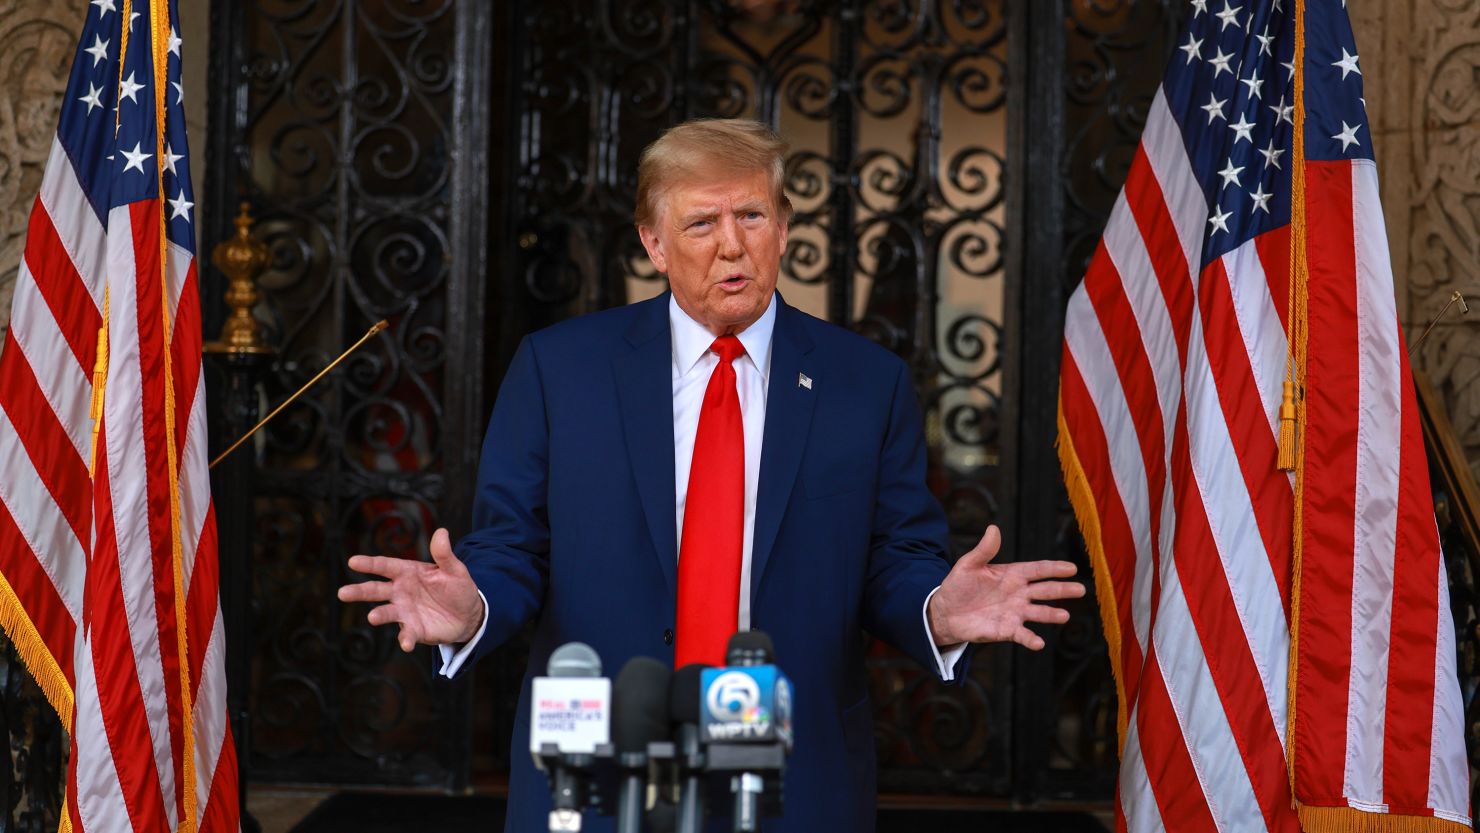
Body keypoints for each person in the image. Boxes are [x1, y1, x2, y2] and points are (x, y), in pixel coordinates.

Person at [338, 119, 1084, 832]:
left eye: (753, 215)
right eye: (702, 224)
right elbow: (512, 548)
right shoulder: (559, 369)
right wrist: (472, 605)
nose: (733, 245)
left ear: (785, 229)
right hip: (600, 760)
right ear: (653, 243)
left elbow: (893, 559)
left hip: (792, 768)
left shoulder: (867, 383)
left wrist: (936, 609)